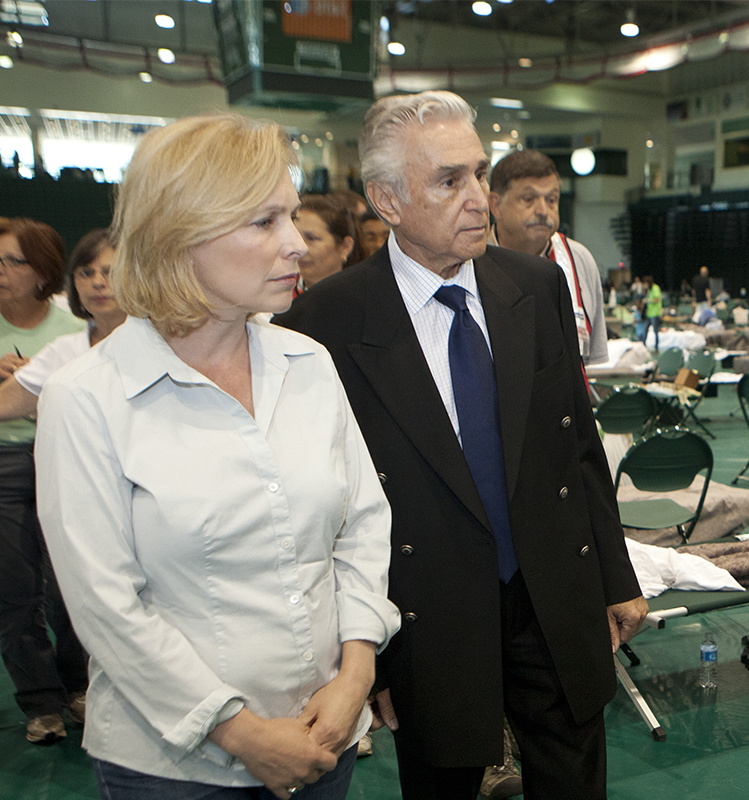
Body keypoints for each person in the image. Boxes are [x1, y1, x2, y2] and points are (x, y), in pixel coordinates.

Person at [275, 90, 647, 800]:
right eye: (450, 181)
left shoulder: (534, 287)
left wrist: (615, 576)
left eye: (478, 173)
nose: (479, 198)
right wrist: (367, 660)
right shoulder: (325, 322)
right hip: (426, 609)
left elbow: (576, 445)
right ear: (386, 199)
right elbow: (323, 511)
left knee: (574, 775)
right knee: (441, 781)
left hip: (549, 592)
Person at [33, 112, 399, 800]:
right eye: (263, 222)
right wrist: (237, 730)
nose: (294, 244)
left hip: (326, 734)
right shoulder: (86, 397)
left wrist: (354, 674)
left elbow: (362, 529)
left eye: (290, 216)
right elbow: (107, 606)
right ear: (178, 235)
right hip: (175, 769)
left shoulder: (307, 362)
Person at [0, 216, 88, 745]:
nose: (2, 271)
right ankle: (39, 702)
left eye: (15, 261)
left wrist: (40, 376)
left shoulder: (71, 329)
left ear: (44, 271)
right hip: (4, 463)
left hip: (62, 459)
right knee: (14, 590)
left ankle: (79, 686)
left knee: (73, 583)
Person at [488, 149, 607, 365]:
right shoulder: (470, 261)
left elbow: (588, 364)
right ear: (496, 205)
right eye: (529, 198)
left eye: (551, 199)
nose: (543, 210)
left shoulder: (580, 261)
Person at [0, 229, 126, 421]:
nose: (98, 282)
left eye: (110, 272)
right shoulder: (63, 352)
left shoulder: (166, 341)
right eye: (86, 273)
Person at [294, 194, 360, 295]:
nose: (299, 248)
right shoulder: (274, 299)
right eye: (295, 238)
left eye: (312, 238)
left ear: (345, 247)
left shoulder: (364, 298)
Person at [642, 275, 662, 350]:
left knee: (655, 331)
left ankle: (656, 348)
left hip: (655, 313)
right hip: (649, 314)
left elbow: (656, 300)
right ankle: (643, 347)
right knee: (645, 330)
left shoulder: (655, 288)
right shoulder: (649, 290)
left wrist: (647, 301)